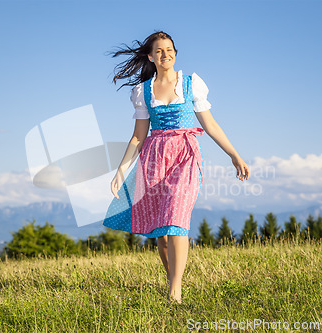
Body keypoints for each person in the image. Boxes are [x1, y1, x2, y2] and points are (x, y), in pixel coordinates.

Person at [102, 31, 249, 304]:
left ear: (175, 53)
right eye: (159, 51)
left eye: (169, 49)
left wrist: (234, 155)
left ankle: (175, 292)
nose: (165, 54)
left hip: (185, 155)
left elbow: (211, 125)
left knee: (176, 218)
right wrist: (121, 170)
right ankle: (173, 279)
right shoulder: (143, 91)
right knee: (162, 232)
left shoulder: (192, 84)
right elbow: (138, 136)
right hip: (154, 158)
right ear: (150, 56)